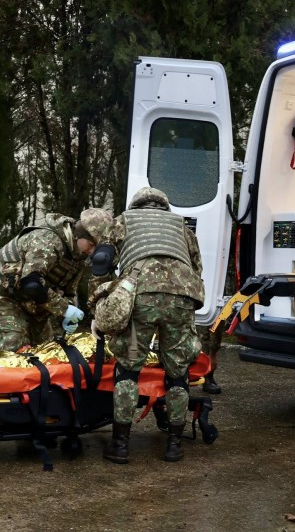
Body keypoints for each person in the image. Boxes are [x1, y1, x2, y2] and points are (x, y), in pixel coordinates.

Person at [97, 187, 204, 463]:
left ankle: (120, 446)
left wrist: (100, 300)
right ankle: (174, 445)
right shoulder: (181, 225)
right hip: (182, 296)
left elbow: (101, 261)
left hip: (140, 297)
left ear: (136, 205)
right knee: (177, 372)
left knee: (129, 369)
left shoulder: (124, 220)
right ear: (163, 207)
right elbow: (196, 267)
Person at [0, 208, 112, 352]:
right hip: (2, 294)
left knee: (45, 348)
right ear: (80, 235)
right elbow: (31, 284)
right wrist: (64, 309)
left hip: (33, 300)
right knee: (17, 347)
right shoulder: (47, 240)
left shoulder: (79, 254)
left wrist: (66, 316)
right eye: (91, 245)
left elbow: (68, 290)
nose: (92, 251)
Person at [198, 326, 223, 394]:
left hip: (216, 316)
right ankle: (207, 378)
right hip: (202, 317)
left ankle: (209, 377)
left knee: (215, 340)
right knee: (204, 339)